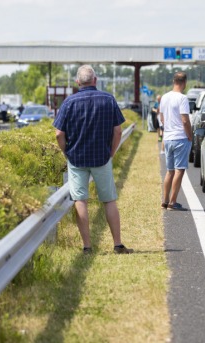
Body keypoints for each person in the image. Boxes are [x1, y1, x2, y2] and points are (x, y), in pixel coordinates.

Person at [53, 65, 133, 255]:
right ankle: (118, 244)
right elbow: (118, 131)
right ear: (95, 80)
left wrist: (67, 153)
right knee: (109, 200)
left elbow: (58, 134)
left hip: (77, 159)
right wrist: (111, 153)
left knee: (80, 200)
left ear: (77, 82)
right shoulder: (108, 99)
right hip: (102, 158)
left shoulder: (69, 102)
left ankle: (87, 246)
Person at [159, 71, 192, 211]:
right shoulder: (183, 98)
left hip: (168, 138)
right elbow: (185, 120)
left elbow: (162, 118)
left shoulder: (164, 97)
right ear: (184, 83)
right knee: (179, 170)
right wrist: (190, 135)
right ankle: (173, 202)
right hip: (180, 137)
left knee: (169, 171)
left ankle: (165, 200)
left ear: (174, 81)